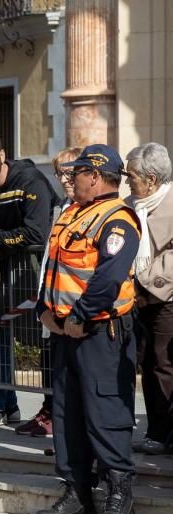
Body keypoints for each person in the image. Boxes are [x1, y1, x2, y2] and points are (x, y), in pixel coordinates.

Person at [34, 144, 141, 514]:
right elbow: (54, 269)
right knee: (67, 414)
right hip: (64, 331)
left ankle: (118, 498)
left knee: (105, 413)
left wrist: (79, 317)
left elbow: (109, 278)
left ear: (94, 176)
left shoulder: (117, 219)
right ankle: (77, 493)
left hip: (100, 332)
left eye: (76, 173)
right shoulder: (71, 214)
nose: (69, 179)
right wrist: (43, 309)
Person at [0, 129, 59, 428]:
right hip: (4, 274)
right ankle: (3, 403)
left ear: (3, 155)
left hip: (39, 271)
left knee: (45, 340)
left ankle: (52, 410)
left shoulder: (29, 181)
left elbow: (36, 233)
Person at [16, 147, 82, 438]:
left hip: (76, 303)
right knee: (49, 359)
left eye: (70, 172)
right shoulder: (59, 207)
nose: (65, 178)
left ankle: (65, 417)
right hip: (51, 297)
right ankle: (50, 410)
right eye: (60, 172)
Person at [124, 143, 173, 456]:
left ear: (151, 179)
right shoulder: (130, 204)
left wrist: (142, 284)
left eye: (132, 176)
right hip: (134, 298)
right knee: (146, 362)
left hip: (164, 297)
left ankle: (167, 432)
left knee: (164, 363)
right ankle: (156, 431)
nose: (128, 182)